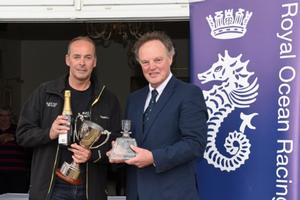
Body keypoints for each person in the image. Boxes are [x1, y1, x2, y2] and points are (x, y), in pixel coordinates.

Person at [16, 36, 121, 200]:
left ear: (94, 62)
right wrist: (48, 133)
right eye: (77, 56)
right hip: (52, 190)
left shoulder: (108, 99)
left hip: (90, 191)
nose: (82, 63)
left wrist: (92, 155)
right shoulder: (45, 93)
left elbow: (117, 143)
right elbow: (22, 135)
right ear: (67, 60)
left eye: (88, 57)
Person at [108, 31, 208, 200]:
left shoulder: (189, 94)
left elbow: (195, 144)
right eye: (145, 62)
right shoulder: (134, 99)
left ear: (171, 58)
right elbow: (129, 138)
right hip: (137, 194)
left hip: (174, 194)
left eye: (157, 60)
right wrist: (118, 151)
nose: (151, 67)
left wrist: (153, 157)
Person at [0, 106, 30, 194]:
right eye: (2, 115)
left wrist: (14, 138)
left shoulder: (19, 130)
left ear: (11, 117)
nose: (5, 118)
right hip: (0, 172)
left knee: (17, 196)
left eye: (7, 115)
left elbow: (28, 144)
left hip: (18, 172)